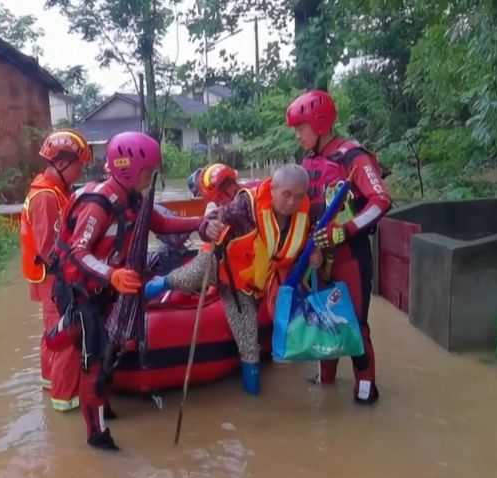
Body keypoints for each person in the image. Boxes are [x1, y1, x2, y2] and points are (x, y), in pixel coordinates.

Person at [44, 131, 204, 451]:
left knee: (110, 350)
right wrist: (113, 275)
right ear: (129, 168)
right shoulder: (99, 203)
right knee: (95, 363)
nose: (150, 177)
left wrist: (202, 221)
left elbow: (161, 223)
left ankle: (101, 403)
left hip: (104, 287)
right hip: (79, 289)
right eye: (147, 171)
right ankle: (96, 436)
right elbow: (78, 251)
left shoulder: (134, 198)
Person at [144, 164, 316, 396]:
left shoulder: (307, 216)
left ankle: (254, 407)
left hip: (255, 285)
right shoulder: (246, 205)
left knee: (249, 348)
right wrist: (209, 227)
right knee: (192, 274)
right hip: (226, 272)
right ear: (273, 189)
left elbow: (307, 246)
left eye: (298, 197)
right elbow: (214, 219)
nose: (291, 203)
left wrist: (317, 255)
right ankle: (156, 285)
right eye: (286, 195)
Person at [285, 89, 392, 405]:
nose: (297, 135)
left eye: (301, 127)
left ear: (319, 123)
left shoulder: (352, 156)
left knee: (355, 323)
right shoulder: (307, 161)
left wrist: (344, 231)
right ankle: (326, 381)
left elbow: (381, 201)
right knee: (322, 319)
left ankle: (365, 388)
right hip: (318, 259)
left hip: (350, 256)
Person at [19, 129, 91, 412]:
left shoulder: (53, 190)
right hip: (54, 279)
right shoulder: (47, 197)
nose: (80, 170)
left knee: (52, 332)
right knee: (65, 336)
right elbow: (48, 250)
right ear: (61, 163)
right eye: (78, 165)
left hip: (48, 278)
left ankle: (51, 384)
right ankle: (66, 400)